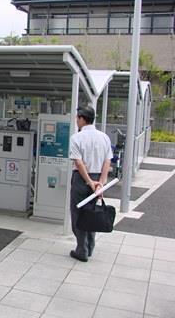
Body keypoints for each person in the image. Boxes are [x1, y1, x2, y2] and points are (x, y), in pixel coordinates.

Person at [69, 106, 113, 262]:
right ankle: (90, 247)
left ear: (81, 118)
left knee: (78, 214)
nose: (76, 120)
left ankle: (81, 249)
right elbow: (107, 161)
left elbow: (79, 164)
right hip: (98, 179)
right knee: (92, 213)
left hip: (82, 180)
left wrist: (89, 182)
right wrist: (100, 183)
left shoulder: (77, 138)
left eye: (77, 118)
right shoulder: (104, 137)